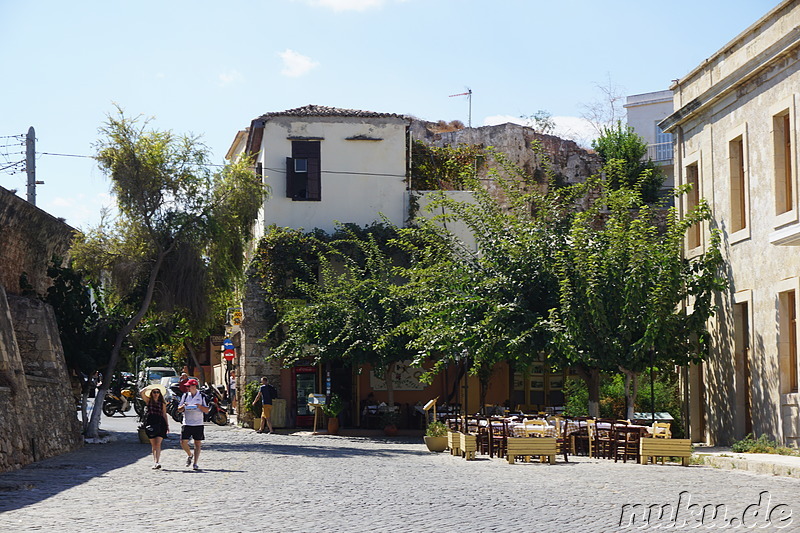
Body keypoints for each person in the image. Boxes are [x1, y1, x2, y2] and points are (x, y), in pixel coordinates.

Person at [178, 378, 209, 470]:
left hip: (198, 423)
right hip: (187, 422)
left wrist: (199, 406)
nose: (187, 388)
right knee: (183, 442)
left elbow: (207, 410)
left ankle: (195, 463)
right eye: (187, 386)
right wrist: (183, 407)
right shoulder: (185, 396)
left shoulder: (202, 396)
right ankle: (189, 454)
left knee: (197, 443)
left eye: (189, 386)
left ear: (194, 386)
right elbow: (179, 409)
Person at [141, 384, 169, 469]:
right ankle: (155, 461)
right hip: (151, 422)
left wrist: (167, 425)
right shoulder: (148, 401)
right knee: (153, 444)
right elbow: (141, 393)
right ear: (151, 393)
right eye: (154, 392)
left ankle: (157, 461)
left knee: (158, 443)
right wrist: (148, 388)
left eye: (157, 392)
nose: (156, 394)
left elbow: (164, 414)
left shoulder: (162, 403)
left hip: (160, 423)